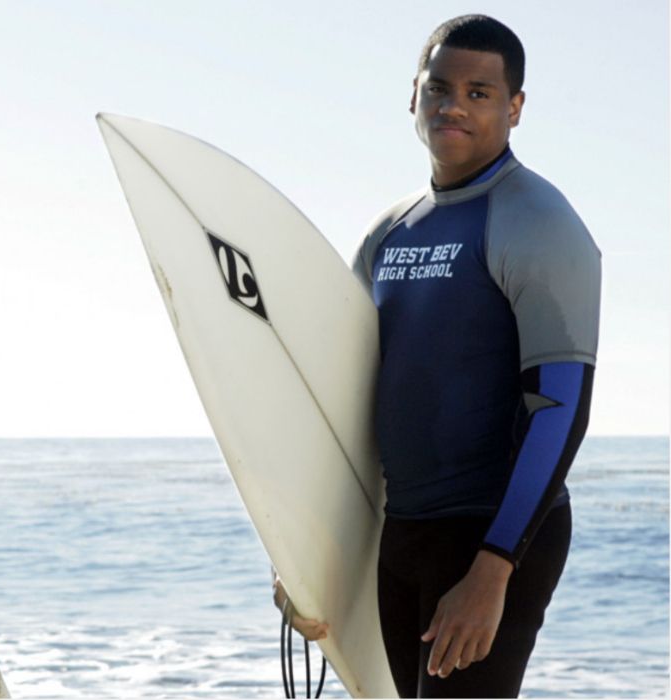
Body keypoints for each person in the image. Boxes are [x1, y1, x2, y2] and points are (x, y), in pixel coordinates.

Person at [275, 15, 600, 697]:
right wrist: (306, 551)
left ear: (515, 108)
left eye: (480, 93)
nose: (454, 105)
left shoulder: (538, 222)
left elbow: (559, 407)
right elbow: (347, 404)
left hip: (493, 532)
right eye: (440, 88)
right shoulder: (387, 234)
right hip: (403, 533)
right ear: (414, 96)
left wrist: (494, 568)